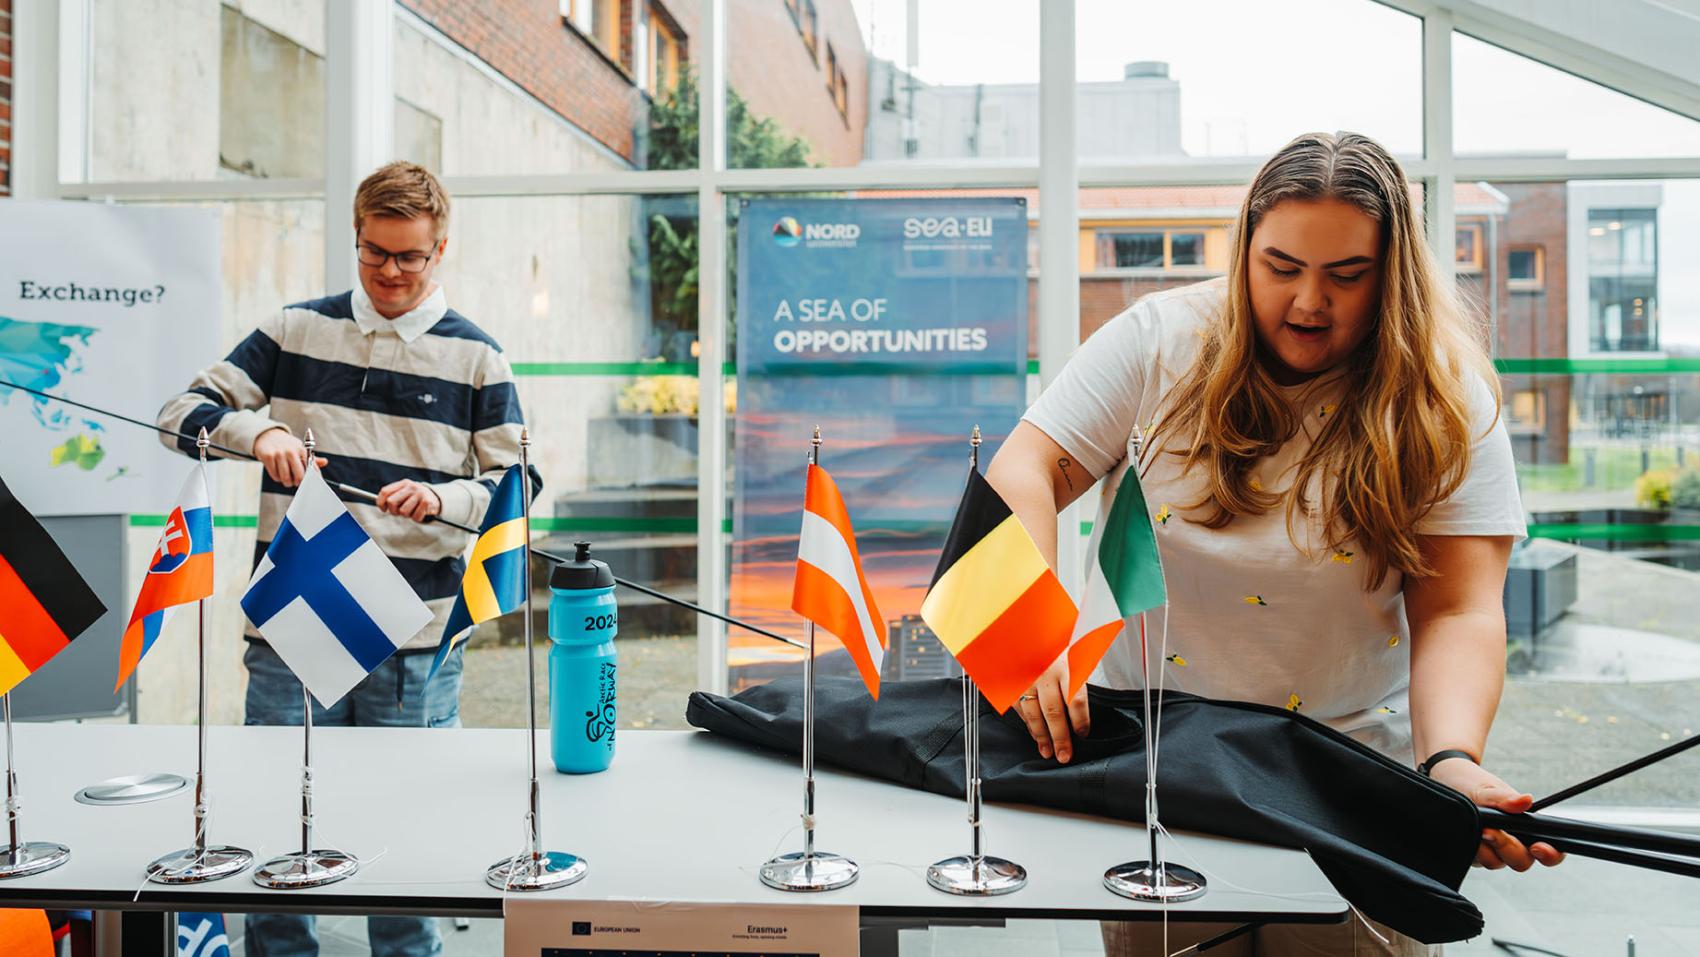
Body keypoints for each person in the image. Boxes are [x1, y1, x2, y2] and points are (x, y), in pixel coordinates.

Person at [986, 132, 1560, 956]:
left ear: (1391, 274)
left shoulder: (1445, 397)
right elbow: (1025, 468)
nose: (1308, 303)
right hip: (1160, 776)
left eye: (1346, 276)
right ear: (1244, 247)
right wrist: (1026, 624)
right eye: (1281, 267)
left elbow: (1459, 610)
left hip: (1348, 784)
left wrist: (1451, 762)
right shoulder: (1160, 341)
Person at [157, 160, 535, 957]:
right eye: (374, 254)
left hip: (416, 640)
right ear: (355, 238)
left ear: (442, 250)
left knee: (402, 840)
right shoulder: (294, 330)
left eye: (411, 257)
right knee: (282, 828)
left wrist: (444, 500)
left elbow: (519, 484)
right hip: (295, 625)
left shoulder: (479, 359)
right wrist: (256, 434)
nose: (391, 274)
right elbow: (179, 413)